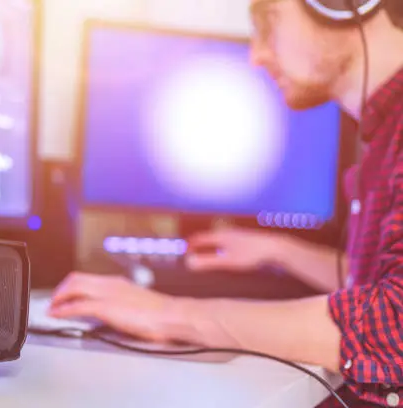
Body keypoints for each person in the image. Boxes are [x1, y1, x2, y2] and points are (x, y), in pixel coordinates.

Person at [47, 0, 403, 406]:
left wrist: (170, 315)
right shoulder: (384, 137)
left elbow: (395, 326)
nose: (256, 55)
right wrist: (279, 251)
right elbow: (376, 282)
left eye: (268, 22)